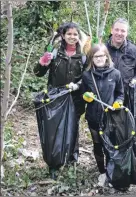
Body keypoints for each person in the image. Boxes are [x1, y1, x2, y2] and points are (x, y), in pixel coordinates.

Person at [33, 22, 86, 169]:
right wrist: (42, 63)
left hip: (75, 98)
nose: (72, 37)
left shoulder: (82, 55)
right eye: (69, 34)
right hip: (55, 97)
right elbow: (38, 73)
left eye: (75, 34)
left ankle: (71, 160)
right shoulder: (55, 52)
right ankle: (55, 160)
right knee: (55, 128)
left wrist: (78, 85)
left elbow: (87, 77)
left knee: (73, 127)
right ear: (63, 35)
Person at [81, 44, 124, 185]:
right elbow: (83, 92)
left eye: (101, 56)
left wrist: (118, 102)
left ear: (107, 56)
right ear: (91, 58)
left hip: (110, 117)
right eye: (96, 56)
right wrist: (85, 96)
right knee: (97, 145)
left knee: (110, 145)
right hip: (93, 117)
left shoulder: (115, 74)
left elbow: (120, 93)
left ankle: (111, 172)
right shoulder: (87, 75)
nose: (99, 59)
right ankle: (101, 171)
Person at [105, 18, 136, 105]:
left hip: (127, 94)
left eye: (123, 31)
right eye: (117, 30)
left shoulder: (134, 50)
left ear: (126, 33)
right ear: (111, 30)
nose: (119, 33)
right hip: (106, 94)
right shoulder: (103, 49)